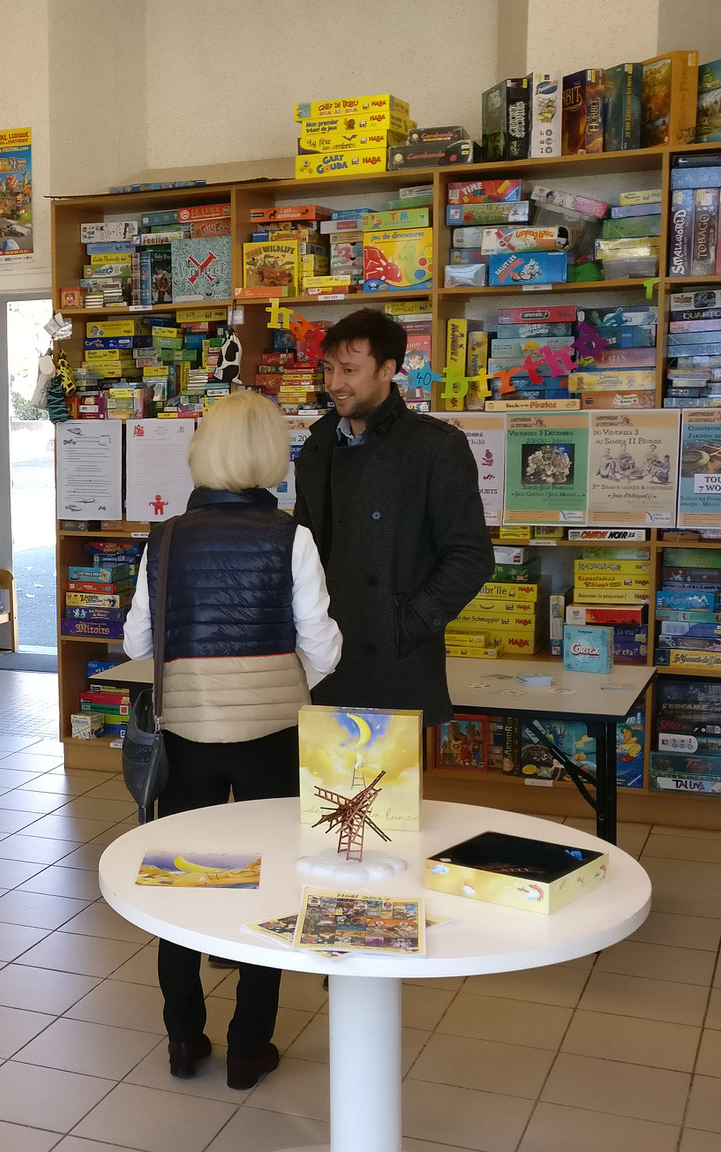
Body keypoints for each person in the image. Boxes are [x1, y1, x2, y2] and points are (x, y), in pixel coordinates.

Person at [122, 388, 342, 1090]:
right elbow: (323, 646)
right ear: (271, 456)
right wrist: (284, 675)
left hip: (187, 734)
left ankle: (185, 1036)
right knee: (272, 881)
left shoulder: (164, 539)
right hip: (272, 735)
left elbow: (134, 640)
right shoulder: (291, 537)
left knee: (182, 883)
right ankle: (250, 1046)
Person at [293, 308, 493, 724]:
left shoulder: (435, 447)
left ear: (388, 370)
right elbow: (303, 549)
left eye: (348, 370)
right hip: (320, 657)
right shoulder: (317, 447)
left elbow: (470, 557)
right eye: (328, 369)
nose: (334, 384)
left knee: (387, 787)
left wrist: (407, 623)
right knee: (323, 786)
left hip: (395, 661)